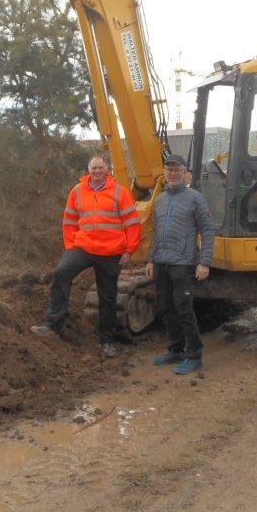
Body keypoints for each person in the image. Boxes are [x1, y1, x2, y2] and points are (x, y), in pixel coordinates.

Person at [31, 155, 141, 357]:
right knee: (61, 273)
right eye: (94, 168)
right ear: (88, 170)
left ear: (106, 169)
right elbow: (69, 221)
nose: (97, 171)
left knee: (107, 297)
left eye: (100, 167)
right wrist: (71, 246)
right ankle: (53, 324)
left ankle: (107, 340)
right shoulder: (77, 191)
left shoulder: (119, 192)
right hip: (83, 247)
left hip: (111, 251)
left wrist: (129, 250)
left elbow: (132, 223)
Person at [146, 154, 216, 375]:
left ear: (185, 172)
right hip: (161, 263)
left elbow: (208, 230)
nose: (173, 173)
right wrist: (150, 259)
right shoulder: (160, 200)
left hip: (184, 263)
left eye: (177, 170)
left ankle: (194, 355)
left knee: (183, 309)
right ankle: (176, 349)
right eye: (169, 170)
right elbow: (156, 233)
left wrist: (204, 262)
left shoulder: (195, 198)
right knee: (166, 308)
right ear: (165, 173)